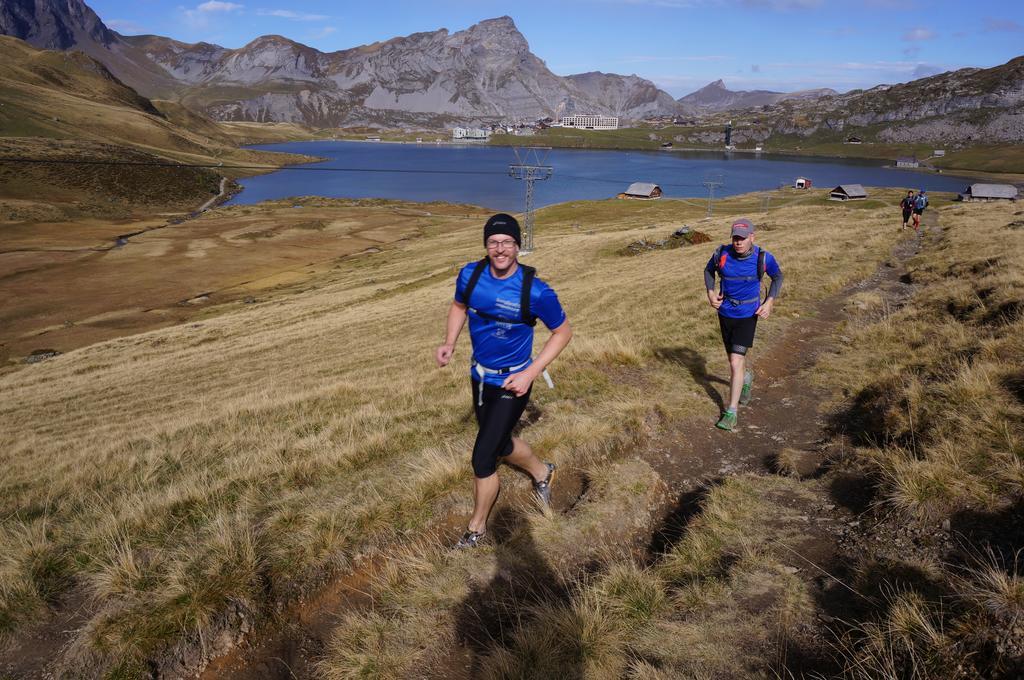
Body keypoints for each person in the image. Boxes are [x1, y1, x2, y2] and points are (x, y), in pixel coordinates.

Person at [436, 213, 572, 549]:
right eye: (493, 242)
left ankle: (476, 528)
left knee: (483, 458)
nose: (500, 249)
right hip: (479, 377)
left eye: (507, 242)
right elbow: (458, 306)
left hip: (515, 381)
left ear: (517, 247)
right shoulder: (470, 275)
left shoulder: (536, 292)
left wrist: (530, 373)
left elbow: (562, 332)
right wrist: (450, 342)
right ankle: (543, 472)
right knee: (500, 444)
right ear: (486, 245)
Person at [704, 218, 783, 431]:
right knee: (734, 359)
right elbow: (708, 271)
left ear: (752, 237)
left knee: (735, 362)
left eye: (742, 238)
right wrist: (711, 293)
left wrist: (769, 302)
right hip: (725, 313)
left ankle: (731, 412)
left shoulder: (764, 258)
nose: (738, 242)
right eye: (735, 238)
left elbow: (777, 278)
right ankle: (746, 378)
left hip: (748, 314)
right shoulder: (722, 254)